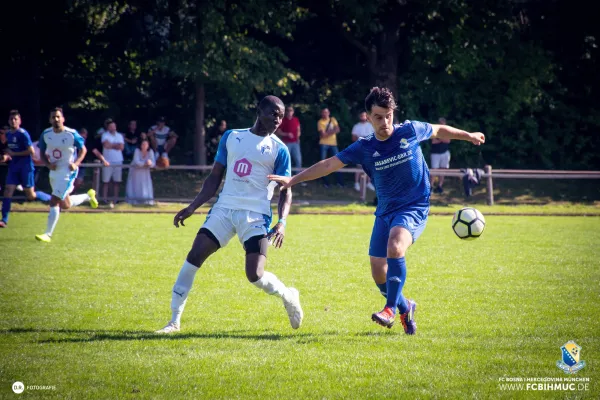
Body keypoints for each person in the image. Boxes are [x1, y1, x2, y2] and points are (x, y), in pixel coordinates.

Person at [268, 87, 485, 334]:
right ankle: (406, 306)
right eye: (379, 117)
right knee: (377, 271)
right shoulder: (364, 147)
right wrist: (292, 180)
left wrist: (468, 135)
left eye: (388, 115)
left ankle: (390, 309)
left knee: (395, 247)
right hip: (384, 211)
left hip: (414, 206)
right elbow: (329, 164)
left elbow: (438, 129)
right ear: (368, 117)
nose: (385, 122)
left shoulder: (409, 130)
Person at [156, 95, 303, 334]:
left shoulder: (280, 149)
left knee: (254, 275)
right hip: (224, 209)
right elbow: (215, 177)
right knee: (193, 258)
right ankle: (173, 321)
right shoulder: (232, 137)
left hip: (256, 215)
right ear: (259, 111)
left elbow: (286, 190)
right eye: (273, 113)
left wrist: (282, 222)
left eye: (281, 115)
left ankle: (288, 295)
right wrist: (193, 206)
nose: (278, 119)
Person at [35, 108, 99, 242]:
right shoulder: (46, 134)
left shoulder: (71, 134)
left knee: (54, 200)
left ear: (63, 119)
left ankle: (48, 234)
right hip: (54, 171)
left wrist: (75, 163)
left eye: (58, 117)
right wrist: (47, 164)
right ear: (50, 120)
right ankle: (88, 196)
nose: (56, 119)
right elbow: (41, 152)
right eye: (53, 117)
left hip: (68, 172)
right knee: (65, 204)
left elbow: (83, 150)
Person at [0, 110, 52, 228]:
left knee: (31, 195)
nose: (13, 121)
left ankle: (52, 199)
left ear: (20, 121)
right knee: (8, 191)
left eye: (15, 119)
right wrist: (7, 156)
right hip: (14, 167)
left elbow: (31, 151)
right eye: (11, 119)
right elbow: (11, 150)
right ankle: (4, 220)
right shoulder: (8, 134)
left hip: (25, 167)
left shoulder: (23, 133)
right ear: (9, 121)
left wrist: (13, 154)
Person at [317, 108, 343, 187]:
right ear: (321, 113)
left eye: (326, 112)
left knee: (338, 162)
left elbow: (338, 129)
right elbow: (323, 135)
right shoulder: (320, 122)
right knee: (323, 163)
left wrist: (327, 133)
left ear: (329, 113)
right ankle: (326, 182)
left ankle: (340, 182)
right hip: (323, 144)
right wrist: (332, 131)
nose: (325, 114)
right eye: (323, 112)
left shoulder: (333, 119)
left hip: (333, 144)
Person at [101, 120, 124, 206]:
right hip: (107, 161)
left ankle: (115, 199)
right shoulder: (104, 135)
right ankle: (104, 199)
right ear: (108, 127)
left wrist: (112, 145)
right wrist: (116, 145)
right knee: (106, 181)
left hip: (118, 160)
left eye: (114, 126)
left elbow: (121, 147)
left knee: (117, 181)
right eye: (111, 126)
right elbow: (106, 145)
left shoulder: (119, 135)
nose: (113, 128)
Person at [351, 111, 376, 192]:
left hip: (369, 148)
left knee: (369, 165)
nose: (363, 117)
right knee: (358, 166)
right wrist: (361, 138)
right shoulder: (356, 126)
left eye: (364, 116)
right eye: (361, 116)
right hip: (359, 147)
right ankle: (356, 183)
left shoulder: (371, 126)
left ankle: (368, 182)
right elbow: (353, 138)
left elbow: (374, 136)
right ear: (359, 117)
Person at [126, 139, 155, 205]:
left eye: (146, 144)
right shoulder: (137, 151)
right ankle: (134, 200)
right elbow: (136, 161)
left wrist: (150, 163)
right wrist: (145, 164)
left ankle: (146, 200)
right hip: (135, 171)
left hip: (145, 172)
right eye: (143, 144)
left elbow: (153, 162)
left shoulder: (150, 151)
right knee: (136, 184)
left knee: (145, 184)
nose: (144, 146)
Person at [276, 106, 303, 173]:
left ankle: (298, 177)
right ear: (286, 112)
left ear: (293, 112)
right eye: (288, 111)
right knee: (286, 160)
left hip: (295, 143)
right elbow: (278, 132)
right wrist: (287, 134)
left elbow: (298, 129)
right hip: (286, 143)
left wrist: (298, 137)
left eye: (291, 111)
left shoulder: (296, 119)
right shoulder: (283, 120)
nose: (289, 112)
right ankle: (285, 176)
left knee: (298, 160)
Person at [430, 117, 451, 193]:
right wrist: (442, 139)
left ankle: (440, 186)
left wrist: (439, 138)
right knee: (434, 170)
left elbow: (448, 141)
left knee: (443, 170)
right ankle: (431, 186)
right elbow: (433, 141)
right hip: (435, 153)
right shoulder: (434, 130)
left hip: (445, 153)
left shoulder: (448, 131)